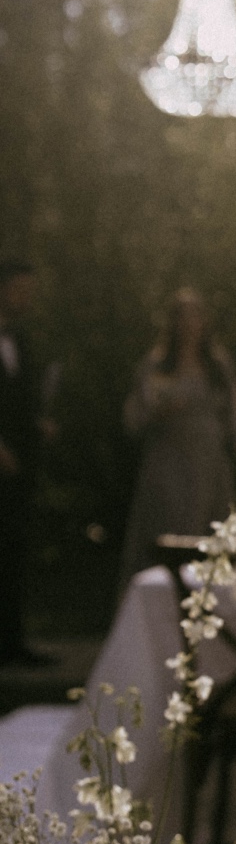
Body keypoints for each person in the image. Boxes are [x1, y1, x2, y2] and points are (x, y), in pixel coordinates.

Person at [119, 289, 236, 587]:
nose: (190, 324)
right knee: (171, 531)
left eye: (195, 316)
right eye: (183, 317)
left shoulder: (217, 365)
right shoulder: (157, 365)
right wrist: (161, 409)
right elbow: (136, 415)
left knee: (212, 530)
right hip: (170, 463)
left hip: (210, 463)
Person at [0, 257, 53, 666]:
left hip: (20, 466)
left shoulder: (20, 339)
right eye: (20, 289)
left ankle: (12, 642)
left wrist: (37, 425)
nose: (27, 298)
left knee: (13, 548)